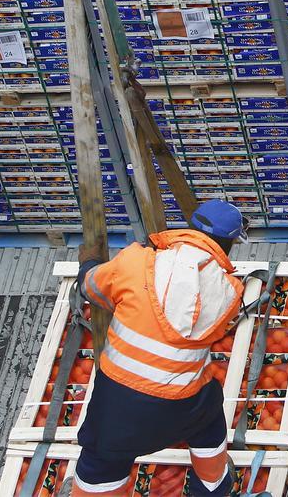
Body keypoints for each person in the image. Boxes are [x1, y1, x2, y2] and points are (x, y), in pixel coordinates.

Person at [69, 200, 248, 496]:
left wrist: (88, 263)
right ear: (230, 244)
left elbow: (91, 288)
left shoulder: (136, 262)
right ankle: (213, 487)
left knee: (101, 460)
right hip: (183, 403)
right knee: (210, 421)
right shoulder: (230, 292)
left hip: (119, 401)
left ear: (191, 227)